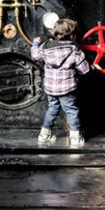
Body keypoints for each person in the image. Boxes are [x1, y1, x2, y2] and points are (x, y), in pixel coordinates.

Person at [31, 18, 91, 146]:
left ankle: (43, 135)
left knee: (52, 109)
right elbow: (84, 70)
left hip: (50, 88)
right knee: (71, 111)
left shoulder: (45, 48)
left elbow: (35, 55)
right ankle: (75, 138)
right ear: (73, 36)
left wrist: (36, 43)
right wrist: (94, 67)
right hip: (66, 89)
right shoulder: (74, 51)